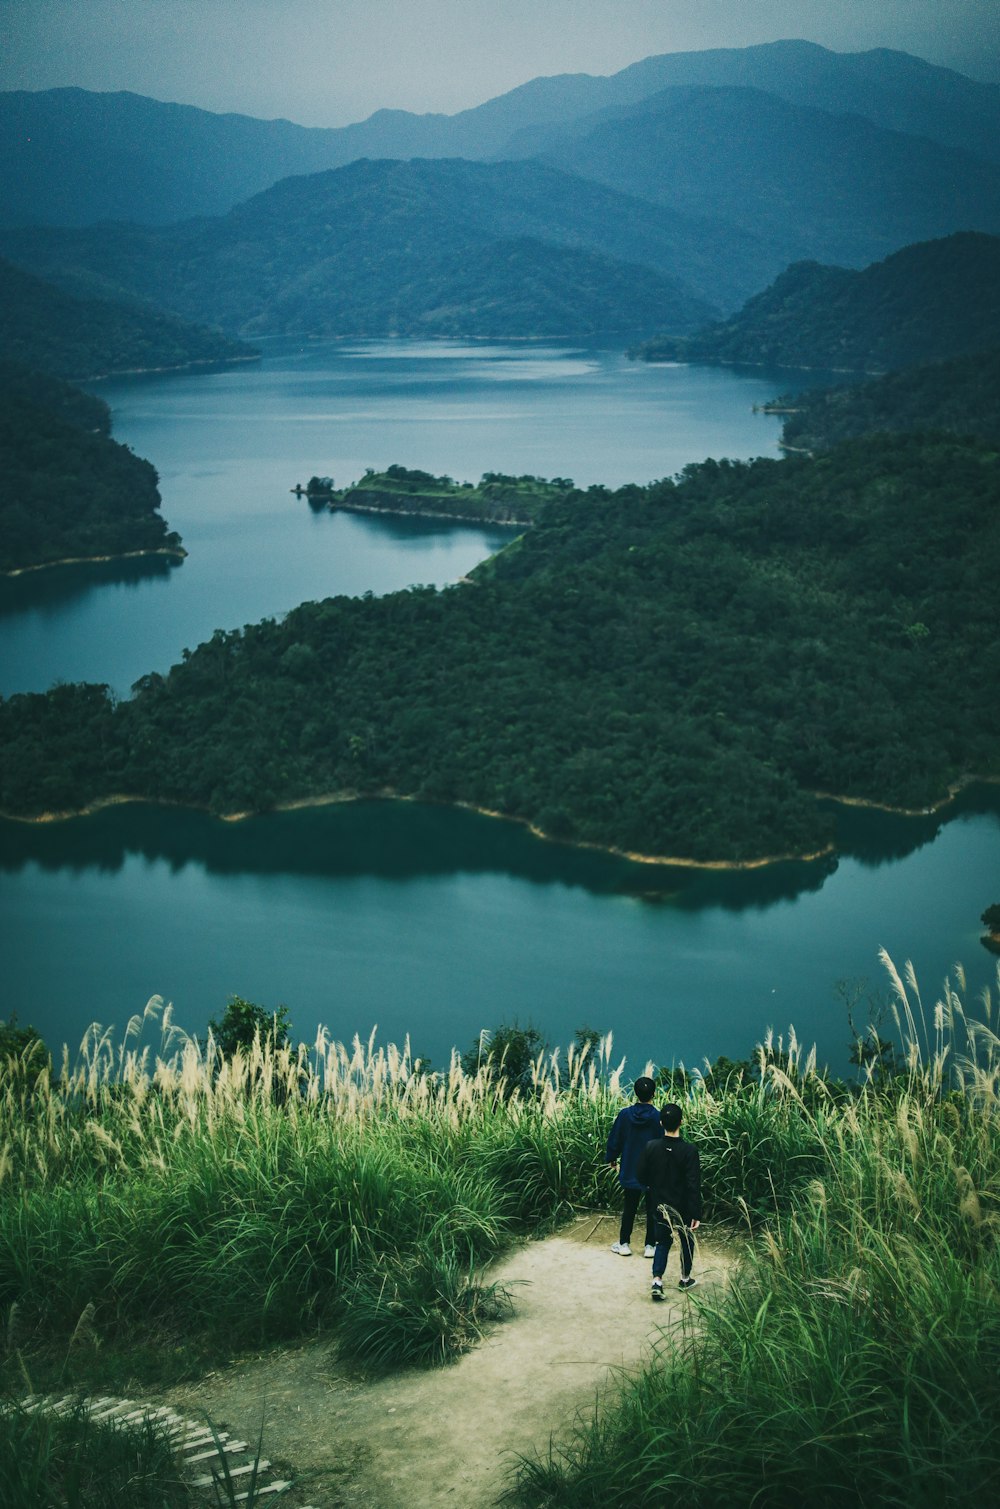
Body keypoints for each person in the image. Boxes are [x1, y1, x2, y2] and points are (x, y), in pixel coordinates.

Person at [637, 1101, 702, 1299]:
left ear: (660, 1123)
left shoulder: (651, 1147)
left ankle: (657, 1280)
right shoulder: (690, 1151)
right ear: (681, 1122)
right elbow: (693, 1184)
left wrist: (653, 1187)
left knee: (662, 1241)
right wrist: (695, 1212)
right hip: (683, 1206)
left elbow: (640, 1175)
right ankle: (685, 1278)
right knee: (686, 1240)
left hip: (659, 1204)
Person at [605, 1074, 662, 1257]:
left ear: (635, 1093)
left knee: (629, 1207)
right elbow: (663, 1142)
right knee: (652, 1208)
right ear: (653, 1094)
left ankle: (624, 1244)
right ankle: (650, 1246)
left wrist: (612, 1157)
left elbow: (616, 1138)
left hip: (631, 1168)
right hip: (652, 1171)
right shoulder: (657, 1117)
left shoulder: (625, 1115)